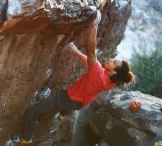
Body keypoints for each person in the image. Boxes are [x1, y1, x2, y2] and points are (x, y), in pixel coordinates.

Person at [11, 10, 134, 144]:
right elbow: (90, 62)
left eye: (114, 62)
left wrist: (95, 26)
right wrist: (75, 51)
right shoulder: (111, 81)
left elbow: (91, 53)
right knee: (69, 104)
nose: (111, 59)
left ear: (114, 72)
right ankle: (63, 114)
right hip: (79, 103)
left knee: (32, 111)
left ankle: (26, 138)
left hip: (68, 98)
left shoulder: (98, 74)